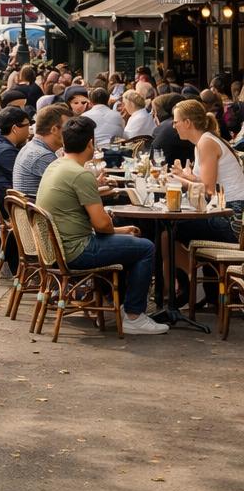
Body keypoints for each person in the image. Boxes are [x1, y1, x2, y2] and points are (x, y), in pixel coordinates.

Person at [36, 116, 167, 335]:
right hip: (77, 250)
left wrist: (118, 230)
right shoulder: (80, 174)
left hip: (57, 248)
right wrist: (116, 229)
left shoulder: (56, 165)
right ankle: (134, 316)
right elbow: (101, 224)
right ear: (90, 144)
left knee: (130, 242)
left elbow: (100, 224)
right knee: (145, 248)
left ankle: (120, 305)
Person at [171, 99, 244, 244]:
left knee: (173, 227)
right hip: (227, 211)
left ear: (187, 122)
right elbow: (207, 184)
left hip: (232, 217)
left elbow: (208, 189)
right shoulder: (204, 141)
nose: (173, 126)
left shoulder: (206, 142)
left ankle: (174, 266)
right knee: (169, 230)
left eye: (175, 122)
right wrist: (186, 176)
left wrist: (178, 180)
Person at [12, 103, 72, 199]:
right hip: (42, 212)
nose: (72, 132)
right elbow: (71, 190)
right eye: (68, 128)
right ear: (54, 129)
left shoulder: (30, 147)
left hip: (32, 210)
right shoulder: (43, 156)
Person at [0, 106, 32, 211]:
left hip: (5, 201)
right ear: (15, 128)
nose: (29, 129)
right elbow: (22, 181)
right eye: (27, 125)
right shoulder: (5, 152)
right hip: (11, 207)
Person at [150, 93, 193, 168]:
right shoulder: (191, 125)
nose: (153, 115)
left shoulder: (164, 128)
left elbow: (153, 161)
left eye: (155, 112)